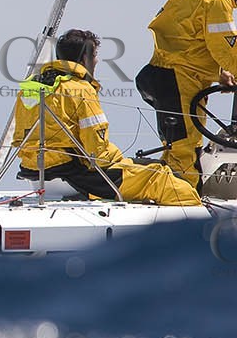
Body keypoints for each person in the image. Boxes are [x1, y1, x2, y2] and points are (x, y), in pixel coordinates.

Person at [14, 28, 201, 206]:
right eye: (94, 55)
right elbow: (98, 154)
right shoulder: (80, 89)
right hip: (75, 174)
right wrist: (127, 161)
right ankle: (195, 230)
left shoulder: (31, 88)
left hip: (35, 171)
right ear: (85, 58)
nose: (96, 61)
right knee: (162, 177)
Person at [136, 0, 237, 187]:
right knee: (184, 154)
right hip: (180, 81)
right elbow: (226, 49)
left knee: (177, 149)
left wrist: (218, 74)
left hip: (165, 73)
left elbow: (186, 37)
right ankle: (185, 213)